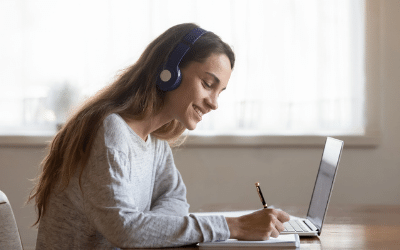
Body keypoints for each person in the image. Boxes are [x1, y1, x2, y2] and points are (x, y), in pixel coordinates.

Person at [27, 23, 290, 249]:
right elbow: (124, 229)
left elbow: (174, 199)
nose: (213, 103)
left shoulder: (154, 139)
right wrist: (233, 226)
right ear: (170, 72)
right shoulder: (111, 131)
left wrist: (149, 229)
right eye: (208, 85)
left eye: (219, 92)